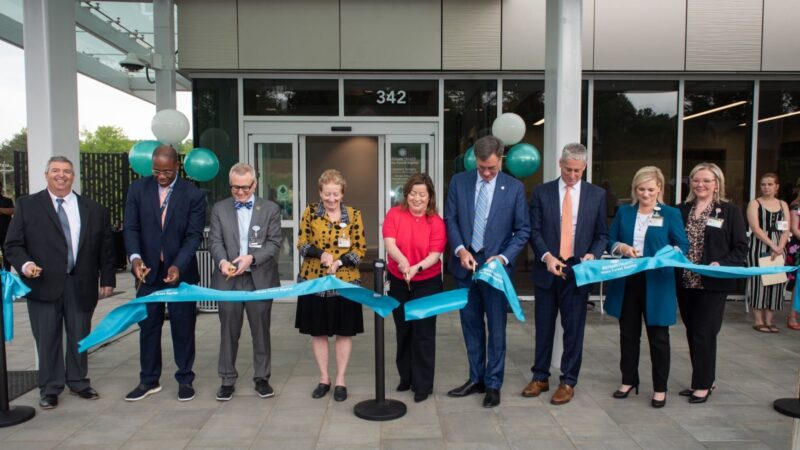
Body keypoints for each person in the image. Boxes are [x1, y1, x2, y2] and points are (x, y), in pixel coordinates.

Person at [5, 156, 115, 409]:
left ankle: (78, 381)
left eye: (66, 171)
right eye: (55, 170)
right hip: (42, 284)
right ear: (46, 175)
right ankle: (50, 387)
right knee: (47, 338)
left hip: (81, 284)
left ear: (73, 176)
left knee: (80, 336)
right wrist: (26, 265)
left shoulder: (94, 209)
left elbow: (105, 249)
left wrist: (107, 279)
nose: (61, 175)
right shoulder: (28, 205)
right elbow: (13, 245)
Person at [444, 135, 530, 408]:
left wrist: (503, 258)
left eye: (491, 167)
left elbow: (523, 230)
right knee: (471, 327)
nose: (486, 173)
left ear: (501, 159)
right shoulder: (460, 182)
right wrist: (460, 250)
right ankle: (476, 378)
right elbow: (451, 219)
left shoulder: (514, 188)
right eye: (482, 168)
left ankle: (494, 384)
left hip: (495, 271)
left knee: (496, 328)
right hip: (465, 267)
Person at [525, 142, 607, 405]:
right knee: (544, 328)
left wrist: (593, 254)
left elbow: (601, 234)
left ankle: (568, 381)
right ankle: (540, 376)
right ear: (560, 163)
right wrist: (547, 257)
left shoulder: (597, 195)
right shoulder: (542, 192)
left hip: (578, 271)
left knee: (573, 330)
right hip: (548, 268)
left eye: (578, 171)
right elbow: (533, 231)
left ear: (584, 168)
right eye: (568, 169)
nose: (572, 176)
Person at [123, 145, 206, 402]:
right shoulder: (138, 189)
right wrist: (135, 259)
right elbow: (131, 228)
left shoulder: (193, 194)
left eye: (167, 171)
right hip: (147, 274)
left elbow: (193, 236)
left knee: (183, 328)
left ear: (177, 167)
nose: (161, 176)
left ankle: (185, 379)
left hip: (180, 273)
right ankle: (149, 380)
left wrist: (177, 266)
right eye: (156, 171)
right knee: (148, 327)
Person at [605, 166, 689, 408]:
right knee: (628, 334)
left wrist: (668, 253)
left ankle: (660, 388)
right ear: (634, 189)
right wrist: (621, 248)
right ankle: (628, 380)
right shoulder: (624, 212)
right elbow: (611, 240)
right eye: (641, 189)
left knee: (659, 338)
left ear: (659, 188)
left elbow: (682, 245)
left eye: (650, 189)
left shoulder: (671, 214)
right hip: (628, 280)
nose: (646, 194)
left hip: (658, 282)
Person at [209, 163, 282, 401]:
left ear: (254, 184)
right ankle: (227, 379)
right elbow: (215, 242)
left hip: (258, 278)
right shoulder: (220, 209)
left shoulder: (270, 209)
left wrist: (251, 259)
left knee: (261, 330)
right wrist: (222, 263)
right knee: (228, 330)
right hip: (228, 279)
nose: (240, 193)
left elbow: (274, 244)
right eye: (235, 188)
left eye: (245, 188)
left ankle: (262, 378)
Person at [677, 162, 748, 404]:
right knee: (692, 330)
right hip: (685, 281)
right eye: (696, 180)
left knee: (705, 332)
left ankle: (702, 385)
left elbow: (741, 248)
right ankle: (706, 378)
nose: (700, 185)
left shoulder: (729, 211)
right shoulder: (682, 210)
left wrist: (721, 263)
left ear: (717, 184)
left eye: (707, 180)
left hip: (713, 282)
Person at [295, 169, 366, 402]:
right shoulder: (310, 213)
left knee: (345, 332)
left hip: (345, 282)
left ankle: (341, 381)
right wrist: (320, 254)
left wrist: (340, 261)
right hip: (315, 282)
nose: (331, 199)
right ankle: (324, 378)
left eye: (336, 194)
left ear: (342, 193)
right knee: (319, 332)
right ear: (320, 192)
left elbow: (360, 249)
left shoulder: (354, 215)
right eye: (327, 194)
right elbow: (302, 243)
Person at [383, 173, 446, 403]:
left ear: (430, 197)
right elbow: (389, 243)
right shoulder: (394, 214)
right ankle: (406, 377)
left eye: (422, 194)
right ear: (406, 194)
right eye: (413, 193)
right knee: (404, 330)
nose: (417, 198)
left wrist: (415, 268)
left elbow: (435, 255)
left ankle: (423, 384)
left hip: (426, 282)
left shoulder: (436, 222)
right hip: (399, 281)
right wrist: (402, 262)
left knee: (424, 333)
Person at [746, 173, 790, 333]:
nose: (766, 187)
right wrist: (772, 244)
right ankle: (758, 320)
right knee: (759, 282)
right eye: (763, 184)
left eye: (770, 184)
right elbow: (755, 228)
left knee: (775, 282)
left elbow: (786, 228)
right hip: (759, 246)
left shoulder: (783, 204)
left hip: (779, 247)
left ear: (777, 186)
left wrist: (780, 247)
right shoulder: (754, 203)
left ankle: (769, 320)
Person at [786, 184, 800, 330]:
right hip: (799, 248)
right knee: (798, 282)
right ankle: (792, 315)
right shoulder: (796, 207)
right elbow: (795, 229)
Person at [0, 182, 14, 270]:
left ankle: (6, 273)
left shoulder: (7, 200)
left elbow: (12, 210)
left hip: (5, 232)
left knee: (6, 254)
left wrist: (1, 210)